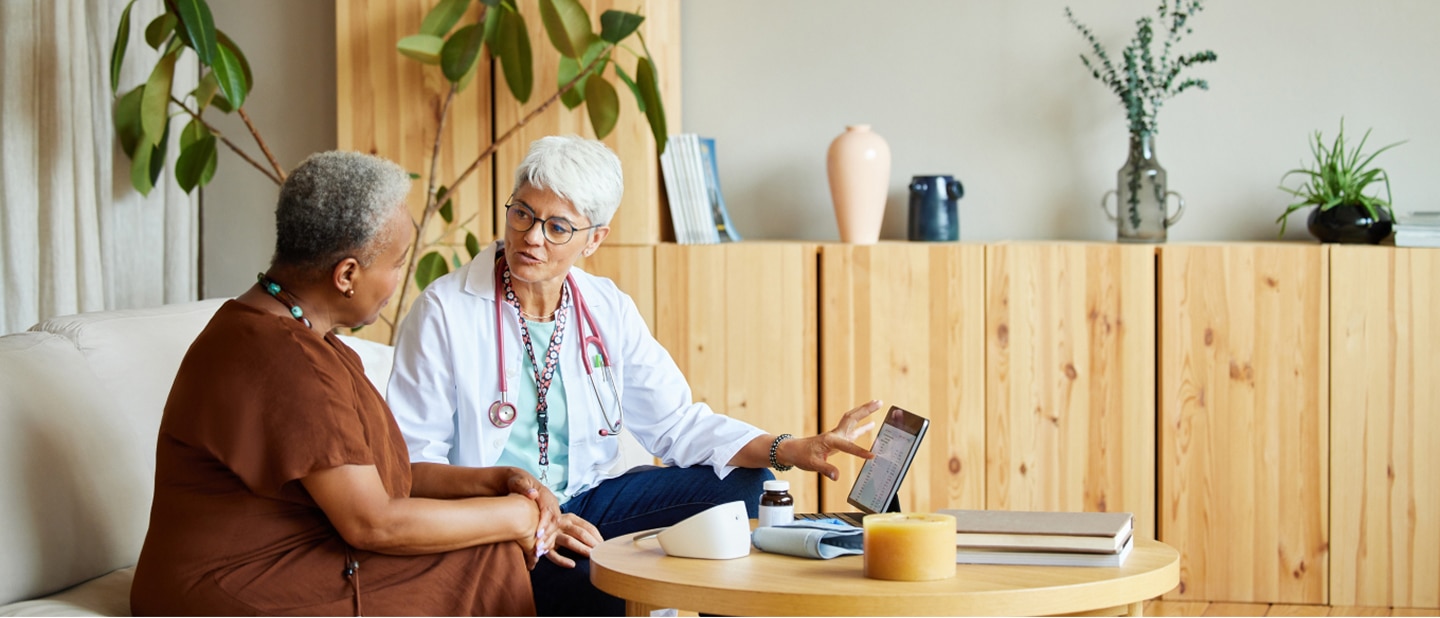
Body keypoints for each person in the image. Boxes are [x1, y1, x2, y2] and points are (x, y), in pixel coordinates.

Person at [387, 135, 883, 616]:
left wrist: (791, 448)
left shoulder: (606, 307)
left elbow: (676, 424)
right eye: (522, 214)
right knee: (600, 583)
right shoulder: (444, 312)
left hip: (587, 498)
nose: (532, 237)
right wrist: (527, 513)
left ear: (594, 239)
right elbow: (412, 465)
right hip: (498, 524)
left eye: (558, 227)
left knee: (745, 489)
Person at [130, 151, 551, 616]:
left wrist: (501, 483)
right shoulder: (282, 359)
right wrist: (516, 517)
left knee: (487, 553)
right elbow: (373, 524)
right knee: (485, 559)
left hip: (296, 555)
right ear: (347, 274)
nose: (399, 282)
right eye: (396, 263)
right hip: (228, 586)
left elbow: (388, 481)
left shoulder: (298, 334)